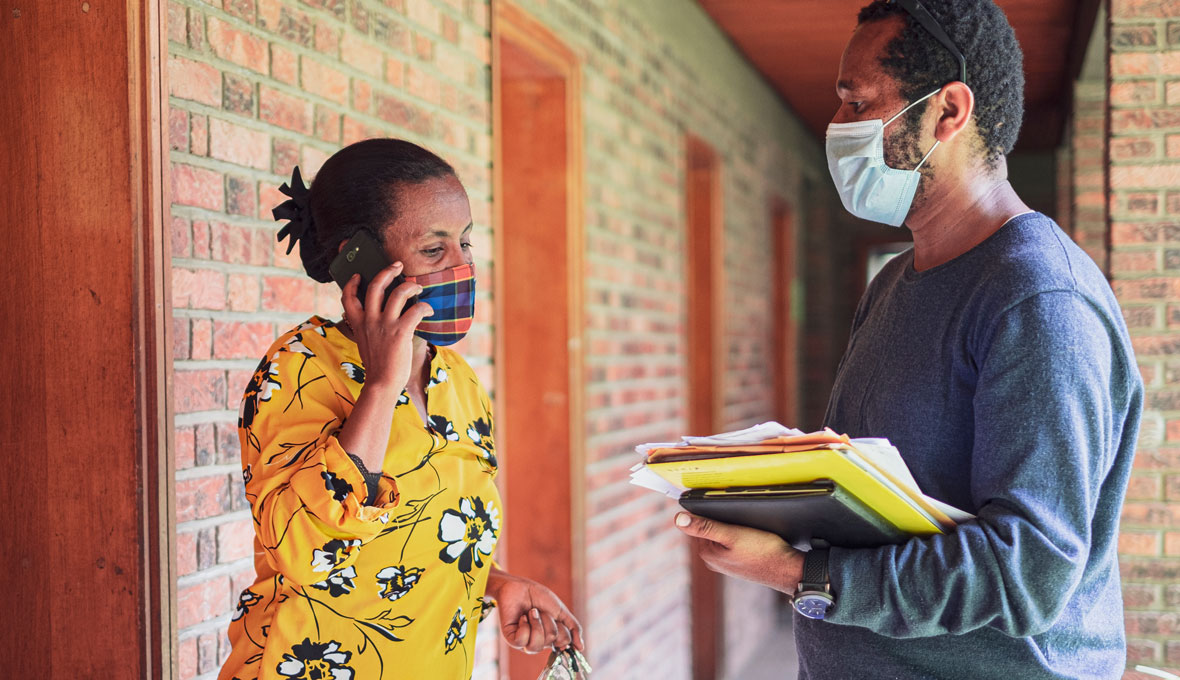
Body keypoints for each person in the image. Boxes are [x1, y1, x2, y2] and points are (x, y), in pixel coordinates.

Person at [674, 1, 1143, 678]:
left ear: (948, 111)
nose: (837, 129)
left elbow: (1030, 570)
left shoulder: (1038, 298)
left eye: (856, 104)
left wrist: (797, 573)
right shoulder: (896, 279)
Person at [220, 138, 582, 679]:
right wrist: (383, 384)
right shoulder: (299, 368)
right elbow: (307, 553)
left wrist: (498, 583)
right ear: (358, 260)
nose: (462, 266)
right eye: (434, 251)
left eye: (465, 244)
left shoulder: (458, 383)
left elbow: (417, 542)